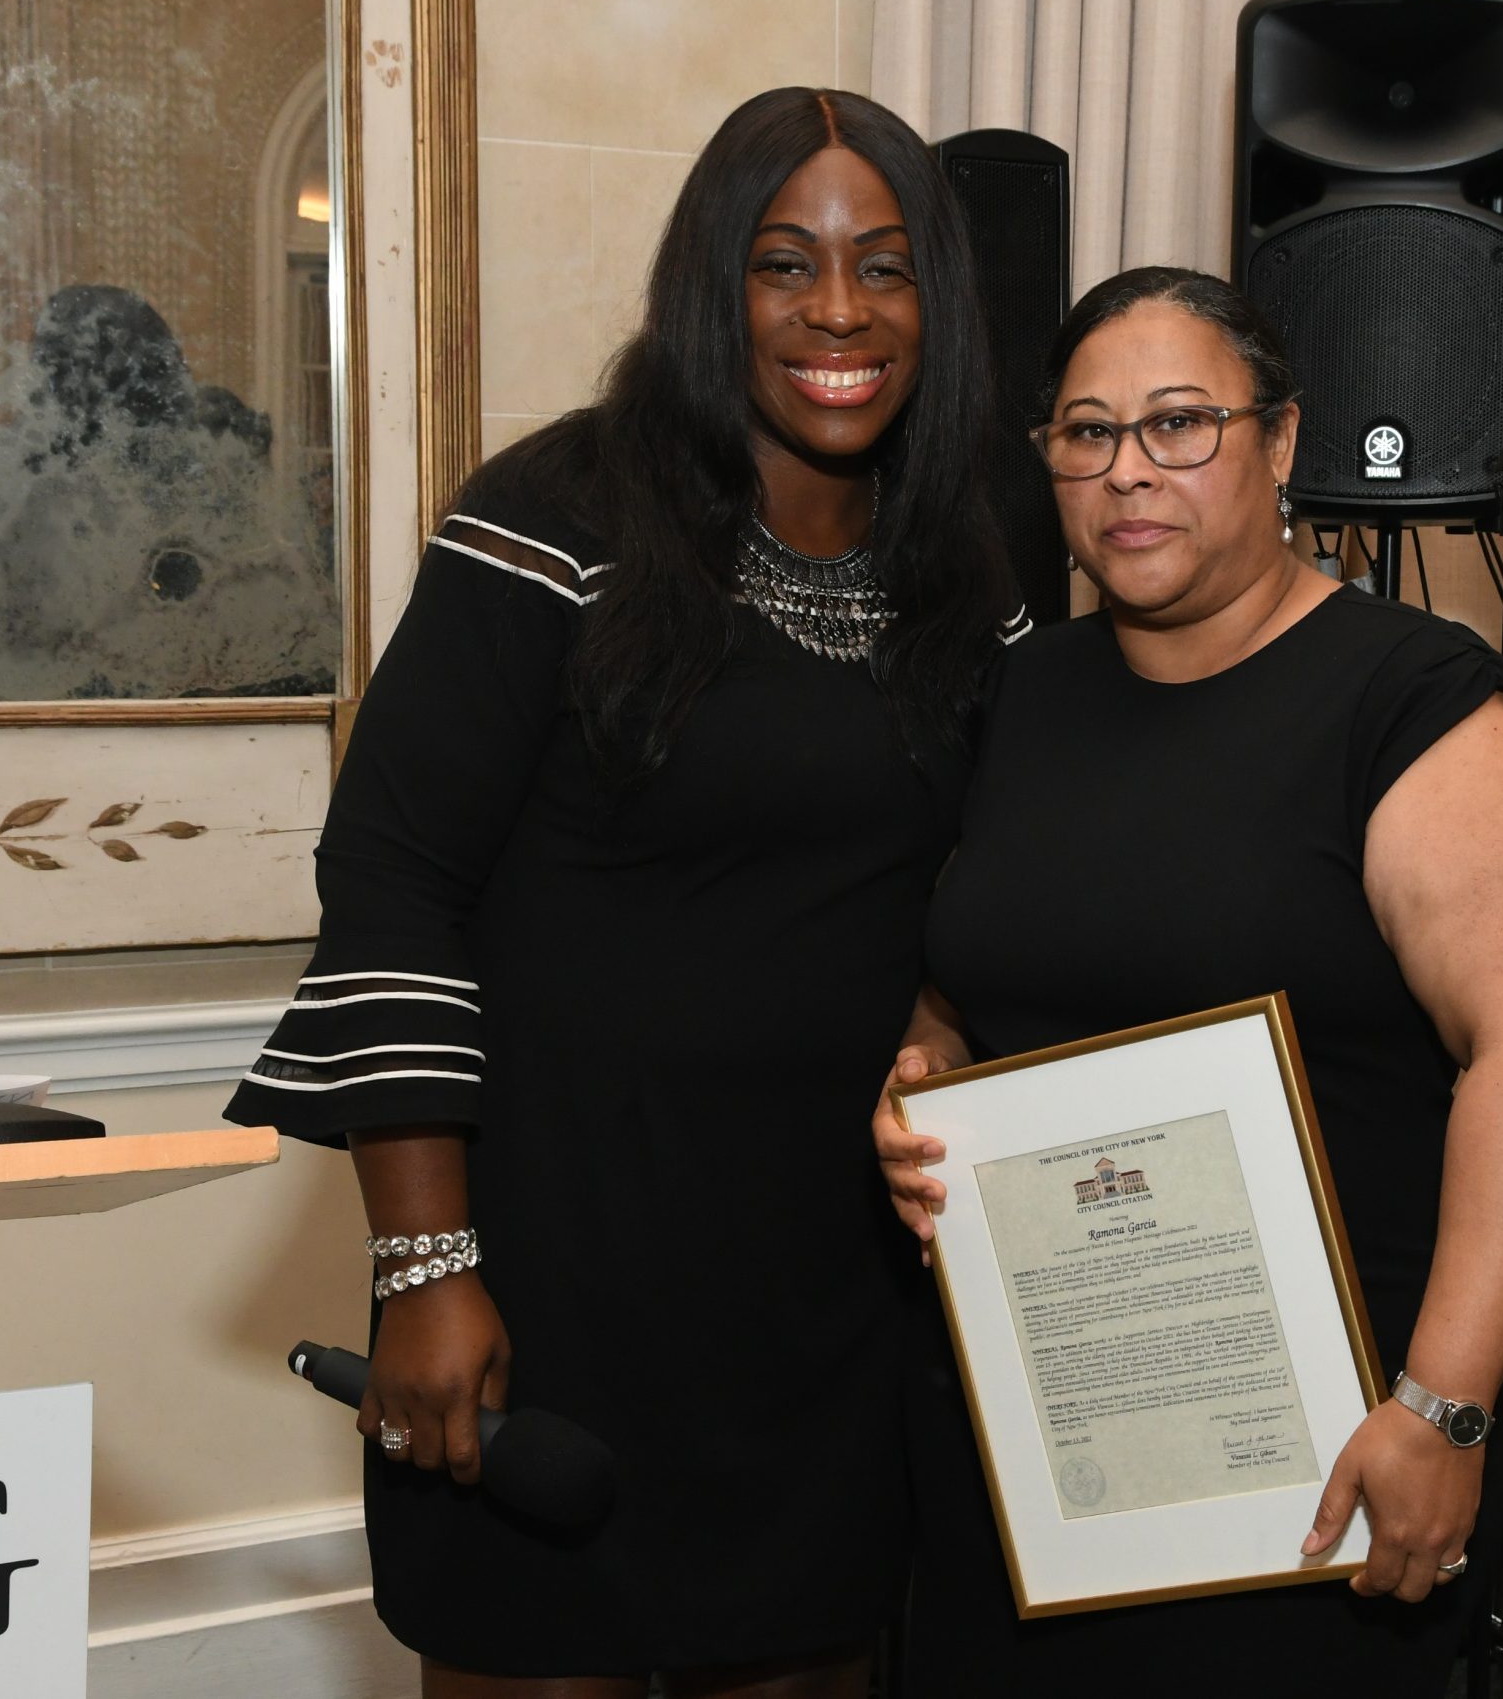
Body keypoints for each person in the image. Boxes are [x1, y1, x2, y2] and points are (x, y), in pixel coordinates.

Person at [224, 87, 1014, 1698]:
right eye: (785, 265)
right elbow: (391, 876)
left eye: (886, 266)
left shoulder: (969, 578)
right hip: (553, 1286)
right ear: (712, 291)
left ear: (941, 296)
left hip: (833, 1311)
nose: (839, 312)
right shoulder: (555, 520)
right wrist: (426, 1270)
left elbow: (984, 886)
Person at [871, 268, 1503, 1695]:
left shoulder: (1410, 703)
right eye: (1085, 434)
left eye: (1179, 425)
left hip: (1322, 1460)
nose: (1127, 472)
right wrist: (920, 1085)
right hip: (1040, 1433)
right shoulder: (1020, 700)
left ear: (1280, 445)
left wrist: (1445, 1409)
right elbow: (964, 988)